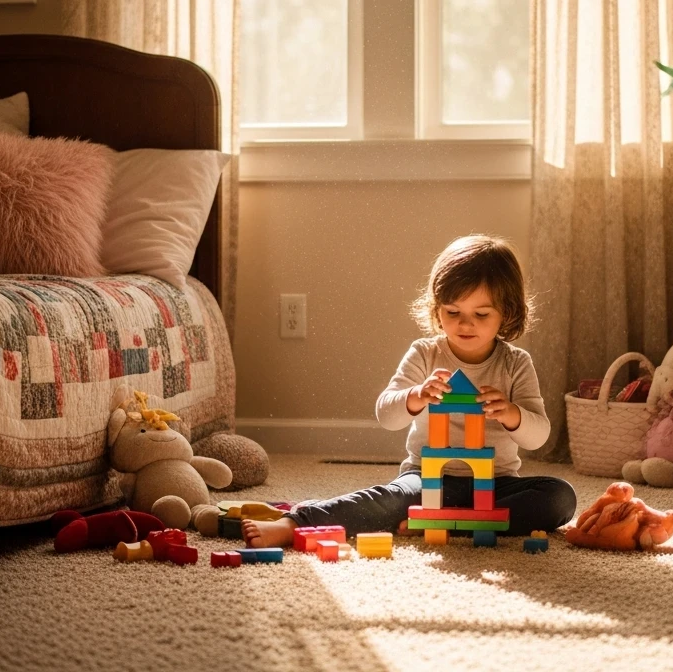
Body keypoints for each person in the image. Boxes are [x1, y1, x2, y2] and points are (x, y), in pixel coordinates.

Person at [242, 234, 577, 548]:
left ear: (507, 313)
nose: (465, 324)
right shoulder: (425, 354)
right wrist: (416, 396)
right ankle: (297, 522)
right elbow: (387, 414)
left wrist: (512, 414)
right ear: (437, 308)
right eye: (453, 312)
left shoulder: (515, 363)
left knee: (560, 497)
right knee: (387, 500)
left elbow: (538, 436)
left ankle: (446, 523)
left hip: (495, 484)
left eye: (481, 314)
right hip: (426, 479)